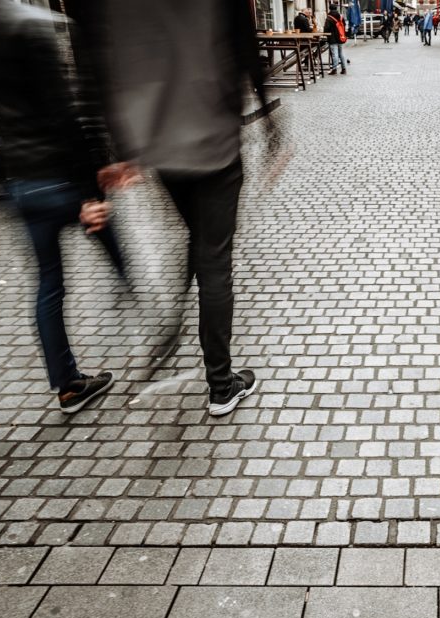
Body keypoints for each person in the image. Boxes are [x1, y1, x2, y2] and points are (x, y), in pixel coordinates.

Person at [85, 0, 282, 416]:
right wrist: (271, 127)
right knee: (215, 261)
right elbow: (246, 50)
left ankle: (173, 320)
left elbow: (102, 65)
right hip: (214, 144)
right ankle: (221, 384)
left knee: (195, 237)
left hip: (162, 149)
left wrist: (117, 149)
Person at [0, 0, 125, 414]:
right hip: (58, 179)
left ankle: (68, 384)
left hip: (21, 183)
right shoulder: (35, 26)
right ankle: (145, 308)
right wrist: (90, 192)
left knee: (48, 285)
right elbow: (62, 113)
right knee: (108, 233)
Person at [325, 5, 348, 75]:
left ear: (329, 9)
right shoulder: (340, 16)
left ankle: (334, 69)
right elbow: (344, 25)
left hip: (332, 38)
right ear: (336, 8)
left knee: (335, 54)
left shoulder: (329, 18)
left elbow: (326, 28)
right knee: (341, 53)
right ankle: (344, 69)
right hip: (341, 37)